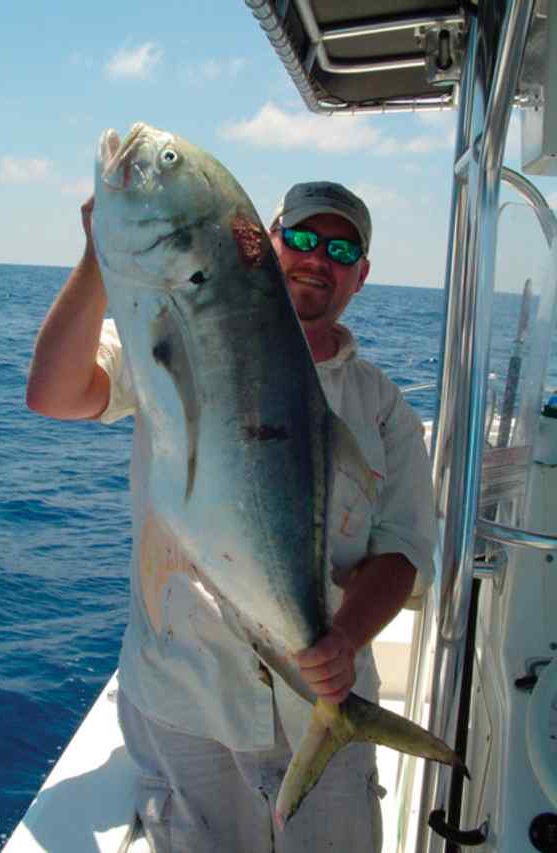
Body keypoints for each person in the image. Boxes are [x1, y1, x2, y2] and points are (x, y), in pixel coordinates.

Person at [27, 181, 437, 852]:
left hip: (318, 704)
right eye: (301, 238)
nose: (317, 258)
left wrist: (341, 642)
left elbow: (402, 550)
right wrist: (100, 257)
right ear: (265, 249)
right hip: (187, 706)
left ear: (361, 275)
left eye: (340, 250)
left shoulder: (383, 409)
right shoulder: (179, 338)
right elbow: (54, 392)